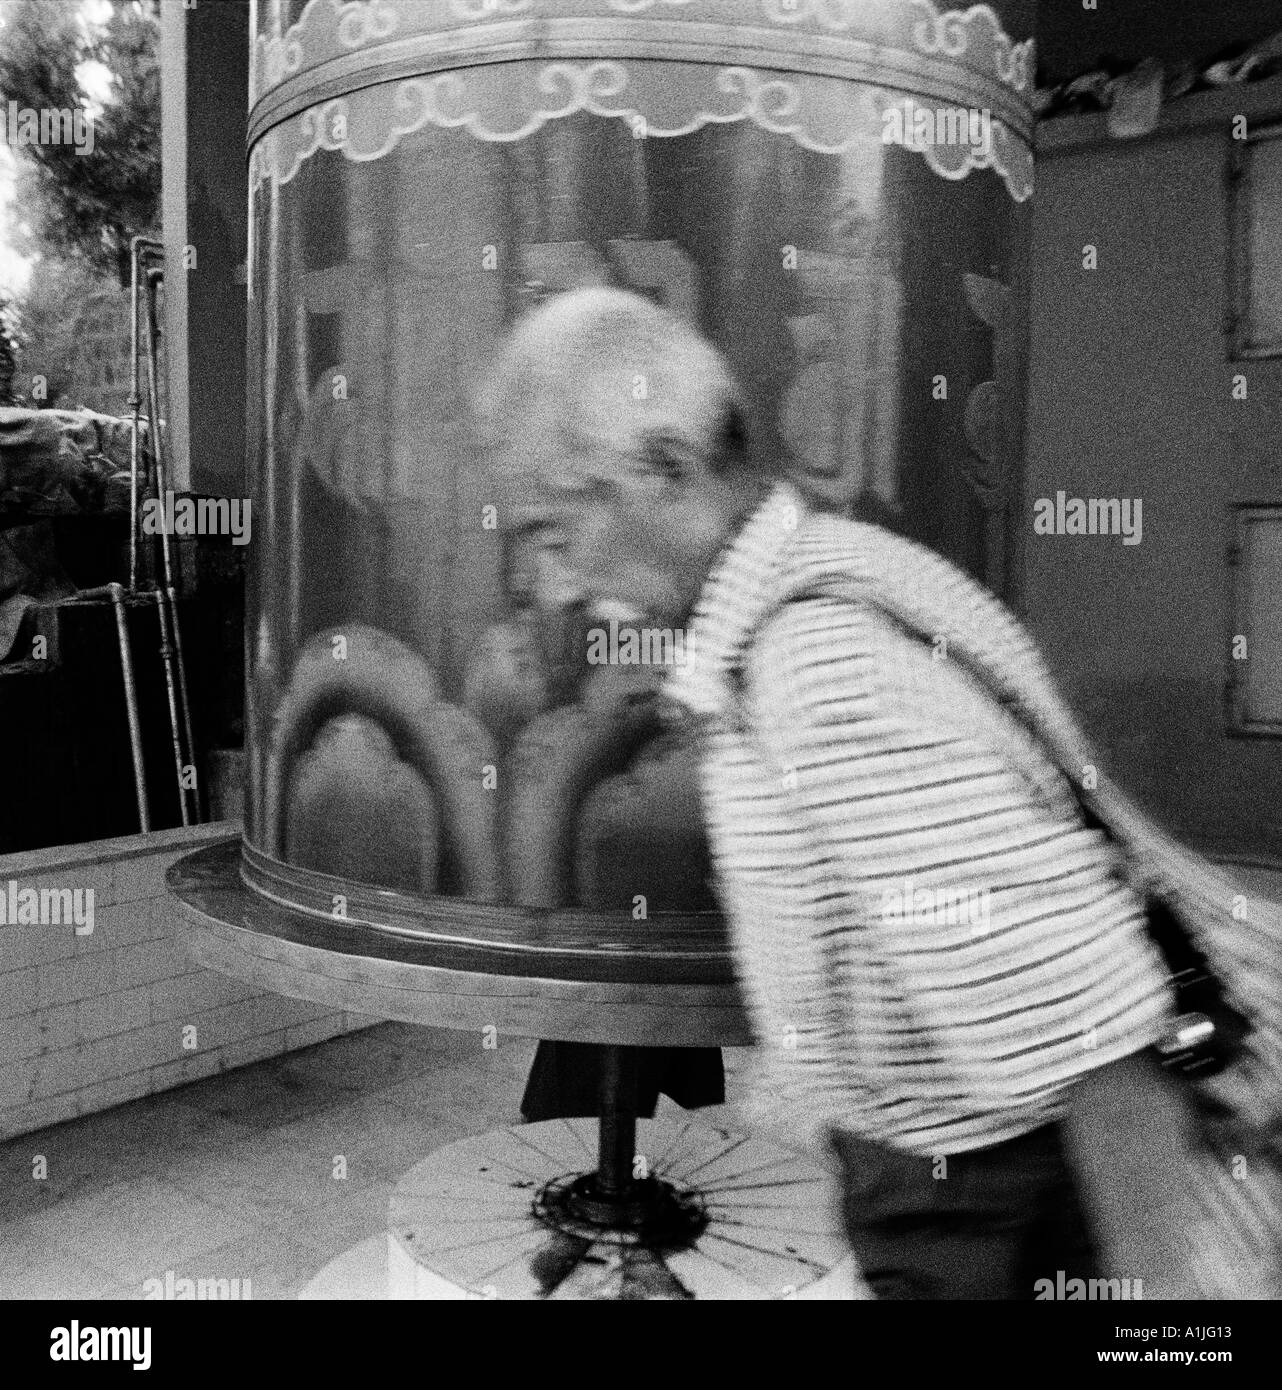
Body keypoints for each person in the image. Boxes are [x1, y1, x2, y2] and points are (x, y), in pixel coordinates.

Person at [477, 286, 1281, 1299]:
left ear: (666, 468)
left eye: (555, 531)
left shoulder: (824, 673)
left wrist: (1166, 1322)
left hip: (1003, 1213)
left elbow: (1107, 1050)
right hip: (950, 1192)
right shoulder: (824, 579)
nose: (550, 583)